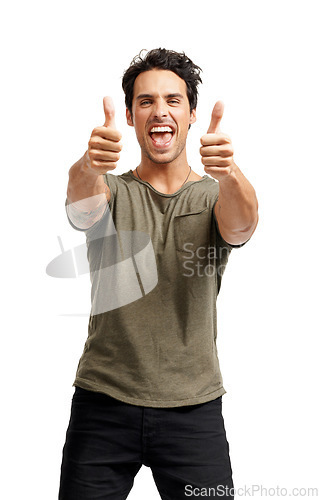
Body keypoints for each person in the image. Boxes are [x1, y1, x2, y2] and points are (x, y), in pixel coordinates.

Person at [58, 48, 259, 500]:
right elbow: (80, 205)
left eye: (173, 100)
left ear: (191, 114)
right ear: (130, 116)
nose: (159, 111)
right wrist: (90, 163)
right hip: (103, 402)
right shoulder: (109, 189)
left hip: (194, 409)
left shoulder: (214, 195)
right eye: (146, 101)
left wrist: (228, 174)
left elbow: (243, 225)